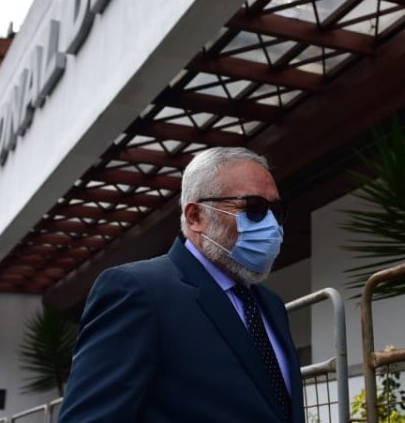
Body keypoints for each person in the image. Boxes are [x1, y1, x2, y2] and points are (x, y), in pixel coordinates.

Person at [58, 147, 304, 422]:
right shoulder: (139, 291)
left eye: (276, 210)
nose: (271, 225)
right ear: (196, 216)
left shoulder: (270, 304)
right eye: (254, 209)